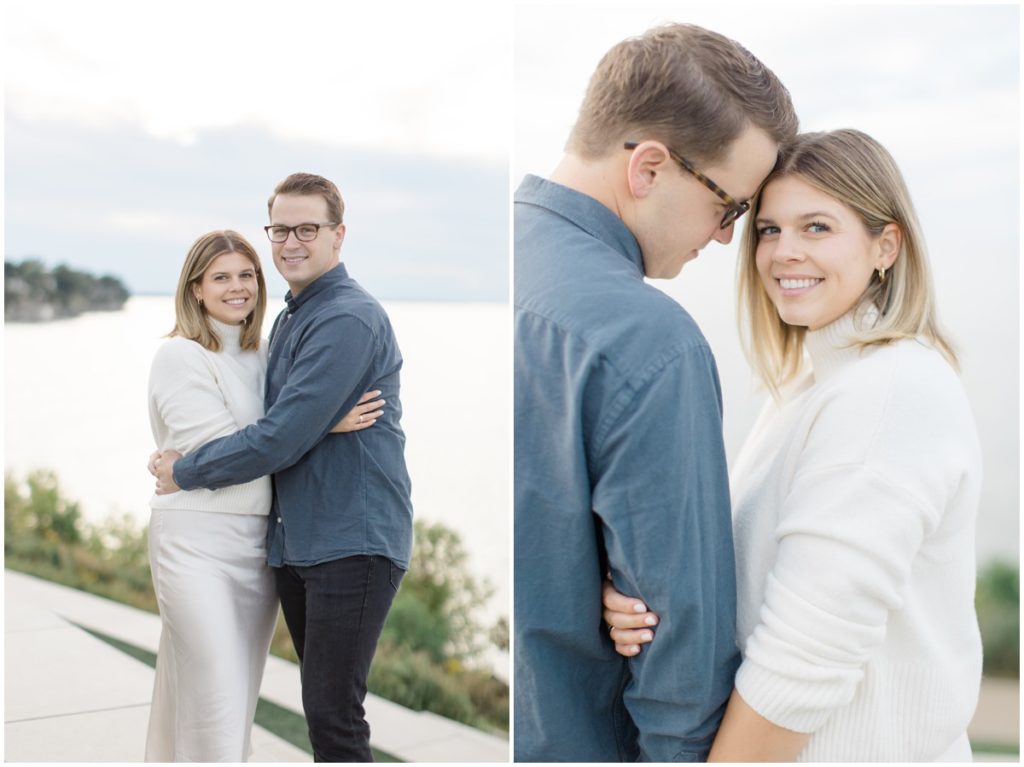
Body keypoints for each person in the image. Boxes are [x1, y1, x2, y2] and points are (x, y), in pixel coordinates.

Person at [603, 129, 983, 761]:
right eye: (770, 230)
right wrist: (643, 608)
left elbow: (798, 670)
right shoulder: (812, 387)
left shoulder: (888, 394)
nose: (784, 253)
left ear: (885, 244)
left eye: (816, 227)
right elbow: (759, 583)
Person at [514, 23, 798, 762]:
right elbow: (683, 666)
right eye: (729, 206)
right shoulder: (650, 342)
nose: (730, 238)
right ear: (648, 167)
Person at [151, 173, 414, 763]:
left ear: (337, 234)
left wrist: (186, 470)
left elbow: (280, 434)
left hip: (353, 541)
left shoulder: (347, 317)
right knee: (318, 710)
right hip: (297, 546)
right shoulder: (291, 318)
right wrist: (316, 421)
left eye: (307, 229)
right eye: (280, 229)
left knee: (334, 717)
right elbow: (284, 423)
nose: (291, 242)